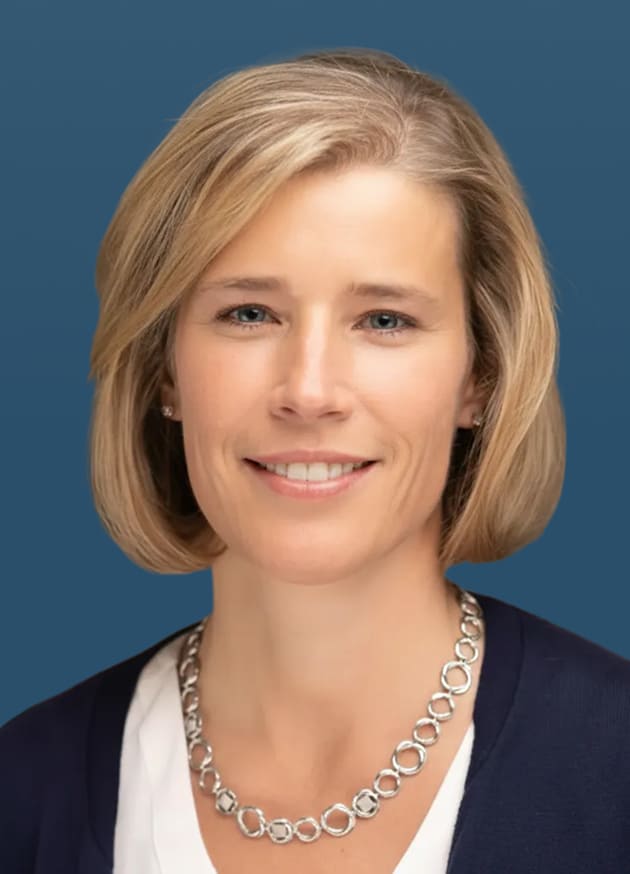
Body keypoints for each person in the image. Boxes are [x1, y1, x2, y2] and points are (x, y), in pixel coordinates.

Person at [1, 47, 629, 874]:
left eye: (384, 321)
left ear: (481, 376)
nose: (309, 391)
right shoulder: (22, 792)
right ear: (164, 371)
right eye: (249, 313)